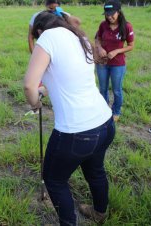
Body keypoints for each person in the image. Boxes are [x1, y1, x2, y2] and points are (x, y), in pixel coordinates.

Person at [24, 11, 115, 225]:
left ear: (39, 30)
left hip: (76, 132)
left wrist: (35, 103)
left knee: (54, 179)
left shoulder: (47, 37)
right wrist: (44, 92)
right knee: (95, 170)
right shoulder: (78, 36)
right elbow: (68, 79)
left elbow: (29, 85)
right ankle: (99, 212)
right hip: (104, 123)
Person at [95, 0, 134, 122]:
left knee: (117, 90)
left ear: (119, 12)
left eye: (112, 13)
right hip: (102, 63)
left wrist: (117, 51)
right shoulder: (103, 25)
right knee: (103, 88)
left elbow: (131, 45)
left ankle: (116, 111)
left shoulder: (127, 26)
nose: (109, 16)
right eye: (107, 14)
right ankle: (103, 109)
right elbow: (97, 39)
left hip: (118, 64)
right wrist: (100, 48)